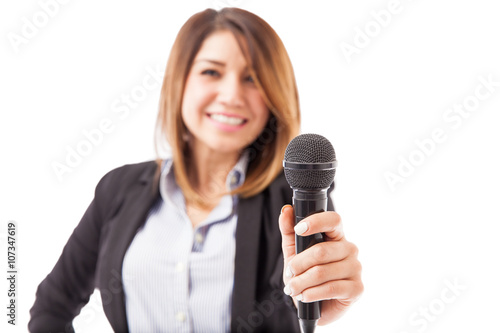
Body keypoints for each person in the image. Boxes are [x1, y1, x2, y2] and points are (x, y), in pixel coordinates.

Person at [29, 7, 363, 333]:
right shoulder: (118, 188)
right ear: (180, 82)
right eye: (211, 72)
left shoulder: (289, 195)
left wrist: (318, 289)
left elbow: (292, 289)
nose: (231, 95)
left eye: (252, 78)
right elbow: (52, 306)